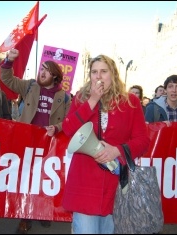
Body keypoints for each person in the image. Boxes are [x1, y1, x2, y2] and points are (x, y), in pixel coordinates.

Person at [61, 54, 150, 234]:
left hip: (115, 184)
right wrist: (92, 101)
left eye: (103, 71)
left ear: (113, 74)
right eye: (94, 72)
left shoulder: (130, 102)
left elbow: (143, 141)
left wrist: (117, 151)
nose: (98, 76)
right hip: (84, 182)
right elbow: (68, 129)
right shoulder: (80, 98)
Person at [0, 48, 71, 234]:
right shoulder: (31, 86)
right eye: (42, 68)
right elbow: (7, 79)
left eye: (47, 70)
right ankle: (26, 216)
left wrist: (57, 128)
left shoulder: (64, 97)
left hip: (50, 143)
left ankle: (44, 213)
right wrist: (8, 61)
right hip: (28, 140)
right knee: (27, 179)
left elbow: (70, 119)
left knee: (45, 179)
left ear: (55, 76)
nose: (42, 72)